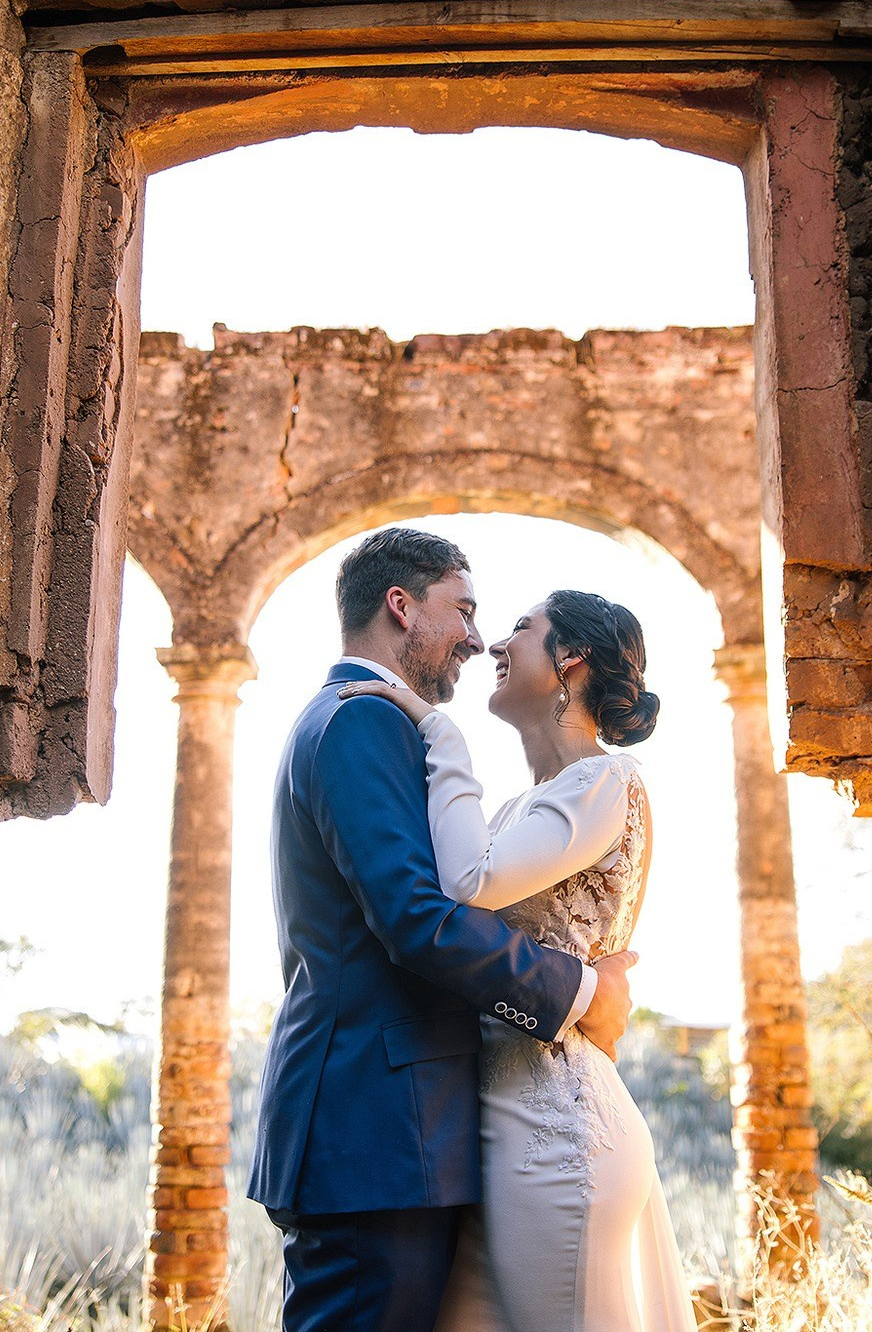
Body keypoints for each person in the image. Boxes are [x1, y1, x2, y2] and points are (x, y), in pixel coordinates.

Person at [247, 528, 640, 1332]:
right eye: (461, 610)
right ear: (400, 606)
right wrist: (579, 991)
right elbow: (416, 917)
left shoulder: (376, 724)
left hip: (403, 1129)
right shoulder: (362, 722)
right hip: (374, 1129)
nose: (474, 635)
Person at [341, 587, 691, 1332]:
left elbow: (469, 883)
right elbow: (434, 907)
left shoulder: (605, 781)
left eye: (519, 631)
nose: (495, 647)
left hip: (558, 1136)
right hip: (491, 1131)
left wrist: (442, 735)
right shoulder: (512, 812)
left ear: (571, 659)